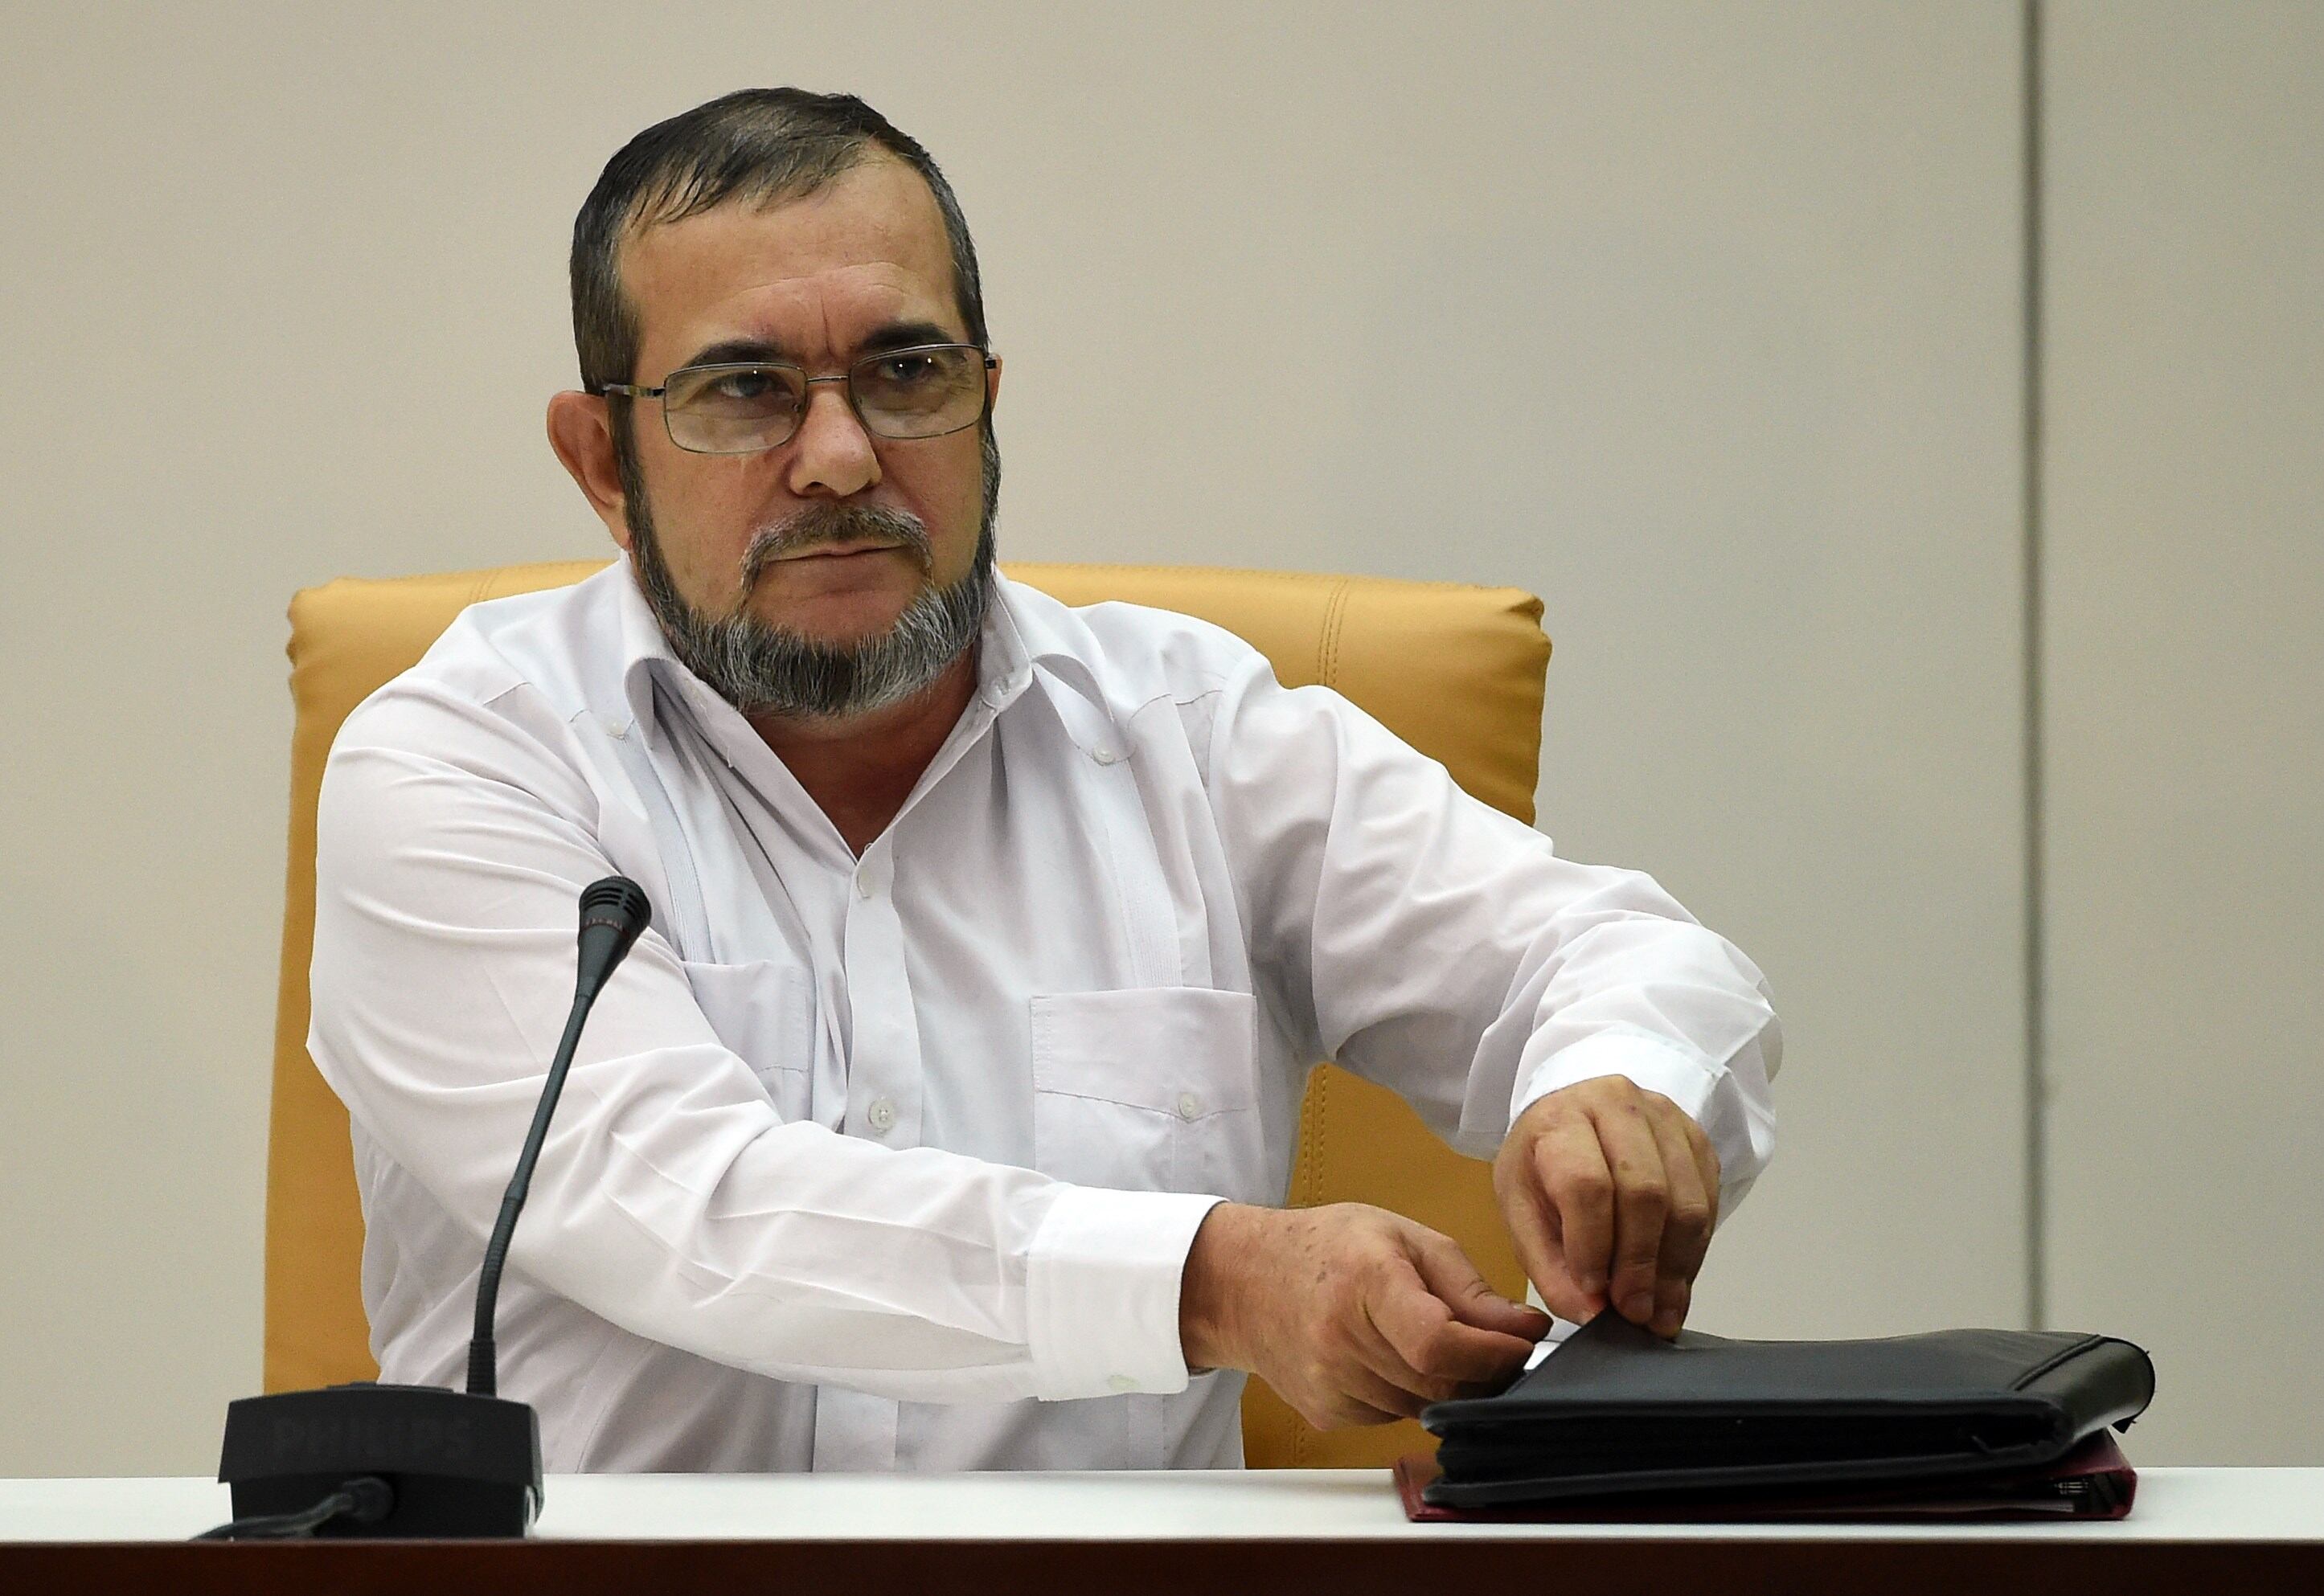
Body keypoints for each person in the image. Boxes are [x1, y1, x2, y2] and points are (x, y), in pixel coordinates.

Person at [308, 88, 1781, 1473]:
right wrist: (1209, 1280)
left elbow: (1631, 958)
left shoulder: (1189, 737)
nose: (838, 456)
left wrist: (1617, 1088)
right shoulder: (463, 759)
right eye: (745, 391)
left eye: (905, 372)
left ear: (986, 400)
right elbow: (692, 1205)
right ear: (604, 459)